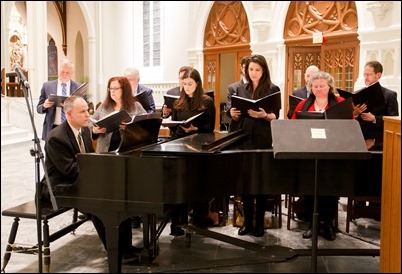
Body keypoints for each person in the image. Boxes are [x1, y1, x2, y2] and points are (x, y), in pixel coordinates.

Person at [41, 95, 141, 264]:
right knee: (99, 203)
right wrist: (96, 174)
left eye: (87, 110)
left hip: (78, 180)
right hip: (58, 187)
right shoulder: (56, 138)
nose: (88, 115)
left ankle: (126, 247)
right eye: (83, 111)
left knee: (118, 195)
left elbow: (87, 161)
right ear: (70, 114)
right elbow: (69, 170)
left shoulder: (85, 131)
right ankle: (115, 251)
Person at [291, 71, 349, 241]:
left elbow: (349, 123)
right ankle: (312, 225)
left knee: (329, 189)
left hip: (332, 152)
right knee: (311, 189)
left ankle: (328, 225)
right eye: (315, 86)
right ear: (310, 88)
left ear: (329, 86)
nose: (318, 89)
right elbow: (294, 125)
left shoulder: (340, 103)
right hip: (310, 151)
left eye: (322, 86)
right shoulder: (302, 104)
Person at [229, 54, 280, 237]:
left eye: (257, 70)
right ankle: (247, 223)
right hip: (244, 138)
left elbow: (276, 115)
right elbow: (235, 114)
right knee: (246, 184)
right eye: (251, 69)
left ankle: (259, 223)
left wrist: (264, 116)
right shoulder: (241, 89)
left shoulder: (272, 89)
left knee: (260, 184)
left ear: (264, 70)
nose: (253, 73)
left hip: (263, 139)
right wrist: (233, 114)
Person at [168, 68, 216, 236]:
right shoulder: (177, 103)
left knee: (197, 187)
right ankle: (177, 225)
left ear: (197, 84)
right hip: (180, 147)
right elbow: (173, 127)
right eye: (184, 84)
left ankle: (198, 222)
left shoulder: (206, 102)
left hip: (198, 148)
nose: (187, 87)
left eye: (190, 84)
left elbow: (210, 128)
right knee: (178, 188)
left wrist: (196, 128)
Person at [91, 76, 147, 153]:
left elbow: (146, 127)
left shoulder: (136, 106)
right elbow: (90, 124)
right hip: (105, 151)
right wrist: (94, 130)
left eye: (115, 88)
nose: (112, 91)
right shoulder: (103, 106)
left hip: (128, 150)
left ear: (124, 90)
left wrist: (130, 129)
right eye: (110, 88)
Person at [353, 60, 399, 150]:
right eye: (364, 74)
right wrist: (356, 113)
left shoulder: (389, 95)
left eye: (369, 74)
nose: (366, 77)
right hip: (358, 139)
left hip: (378, 142)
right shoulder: (356, 94)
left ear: (378, 75)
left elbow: (393, 121)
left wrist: (374, 118)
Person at [37, 59, 82, 141]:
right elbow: (38, 109)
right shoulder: (47, 86)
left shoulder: (78, 87)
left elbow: (83, 107)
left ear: (72, 73)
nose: (64, 74)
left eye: (67, 72)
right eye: (62, 72)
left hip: (71, 127)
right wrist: (44, 105)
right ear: (58, 71)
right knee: (51, 153)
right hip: (53, 127)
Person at [226, 55, 250, 132]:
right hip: (237, 128)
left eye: (249, 68)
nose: (247, 71)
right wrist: (233, 114)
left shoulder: (259, 87)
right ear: (241, 67)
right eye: (244, 67)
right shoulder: (232, 87)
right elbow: (229, 109)